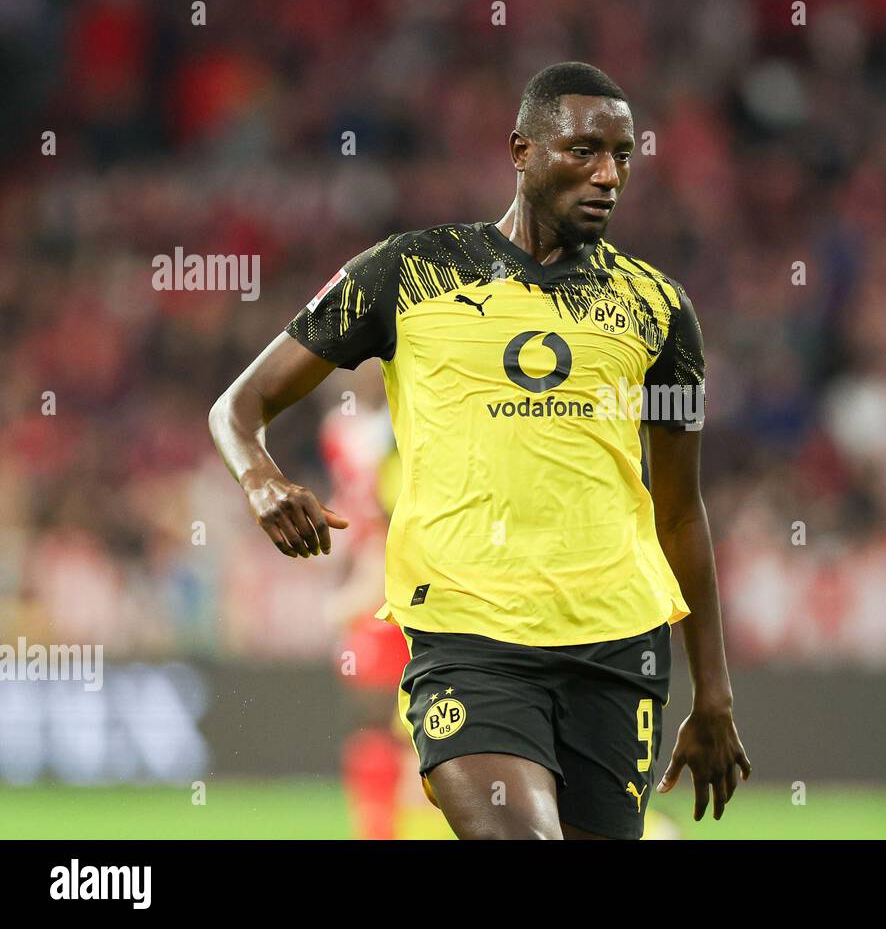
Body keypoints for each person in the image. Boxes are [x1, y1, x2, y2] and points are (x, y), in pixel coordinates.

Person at [209, 61, 750, 839]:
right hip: (468, 643)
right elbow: (238, 406)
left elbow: (680, 512)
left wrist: (715, 694)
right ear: (521, 150)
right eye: (584, 151)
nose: (608, 175)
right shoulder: (408, 274)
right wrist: (261, 479)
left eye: (622, 156)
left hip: (616, 650)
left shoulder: (661, 312)